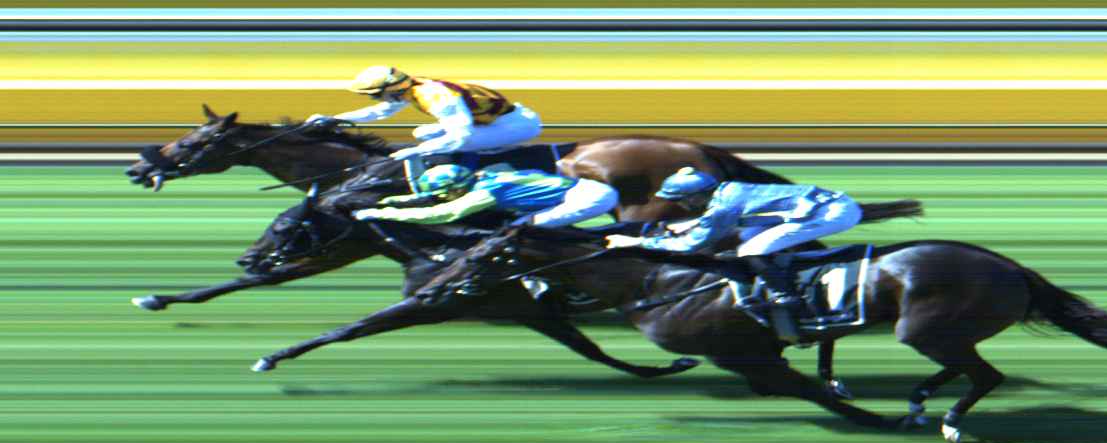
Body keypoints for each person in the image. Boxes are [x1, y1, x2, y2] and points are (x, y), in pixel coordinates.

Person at [606, 168, 859, 342]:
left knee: (751, 250)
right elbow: (728, 217)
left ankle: (786, 295)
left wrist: (636, 242)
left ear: (695, 197)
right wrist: (692, 224)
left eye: (681, 200)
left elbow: (690, 244)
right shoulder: (727, 190)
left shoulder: (724, 205)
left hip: (833, 213)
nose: (681, 205)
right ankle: (784, 274)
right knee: (751, 239)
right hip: (827, 204)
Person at [312, 66, 541, 169]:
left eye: (374, 94)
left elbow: (461, 136)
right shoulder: (412, 87)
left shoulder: (434, 96)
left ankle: (489, 157)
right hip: (498, 120)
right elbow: (380, 112)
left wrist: (416, 151)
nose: (373, 99)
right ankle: (483, 151)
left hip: (516, 126)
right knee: (423, 133)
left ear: (391, 89)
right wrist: (334, 119)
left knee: (448, 144)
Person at [350, 164, 619, 230]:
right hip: (587, 188)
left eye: (445, 193)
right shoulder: (488, 175)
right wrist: (395, 201)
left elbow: (443, 214)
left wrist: (381, 214)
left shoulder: (484, 192)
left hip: (589, 199)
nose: (444, 197)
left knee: (517, 231)